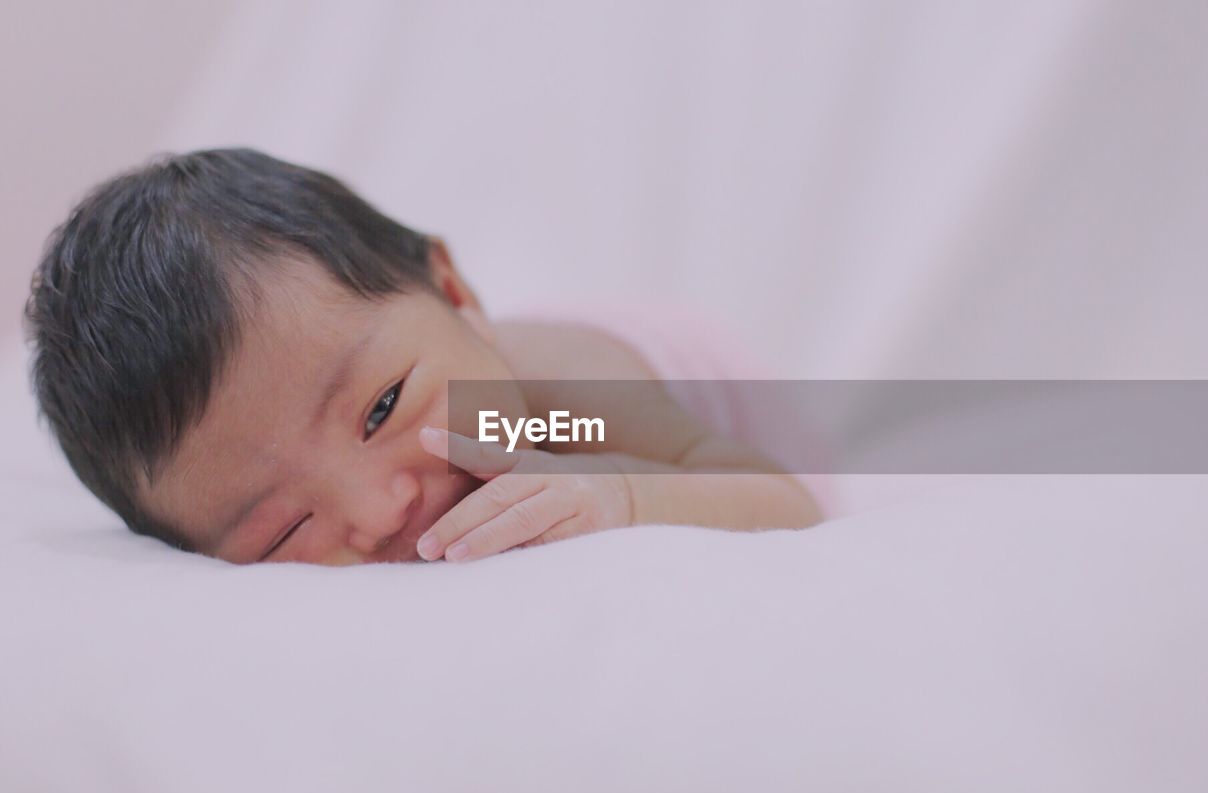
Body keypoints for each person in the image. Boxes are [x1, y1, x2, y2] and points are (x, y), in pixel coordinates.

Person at [24, 148, 822, 565]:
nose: (379, 512)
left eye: (381, 408)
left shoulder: (572, 393)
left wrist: (621, 492)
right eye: (283, 529)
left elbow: (782, 499)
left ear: (451, 286)